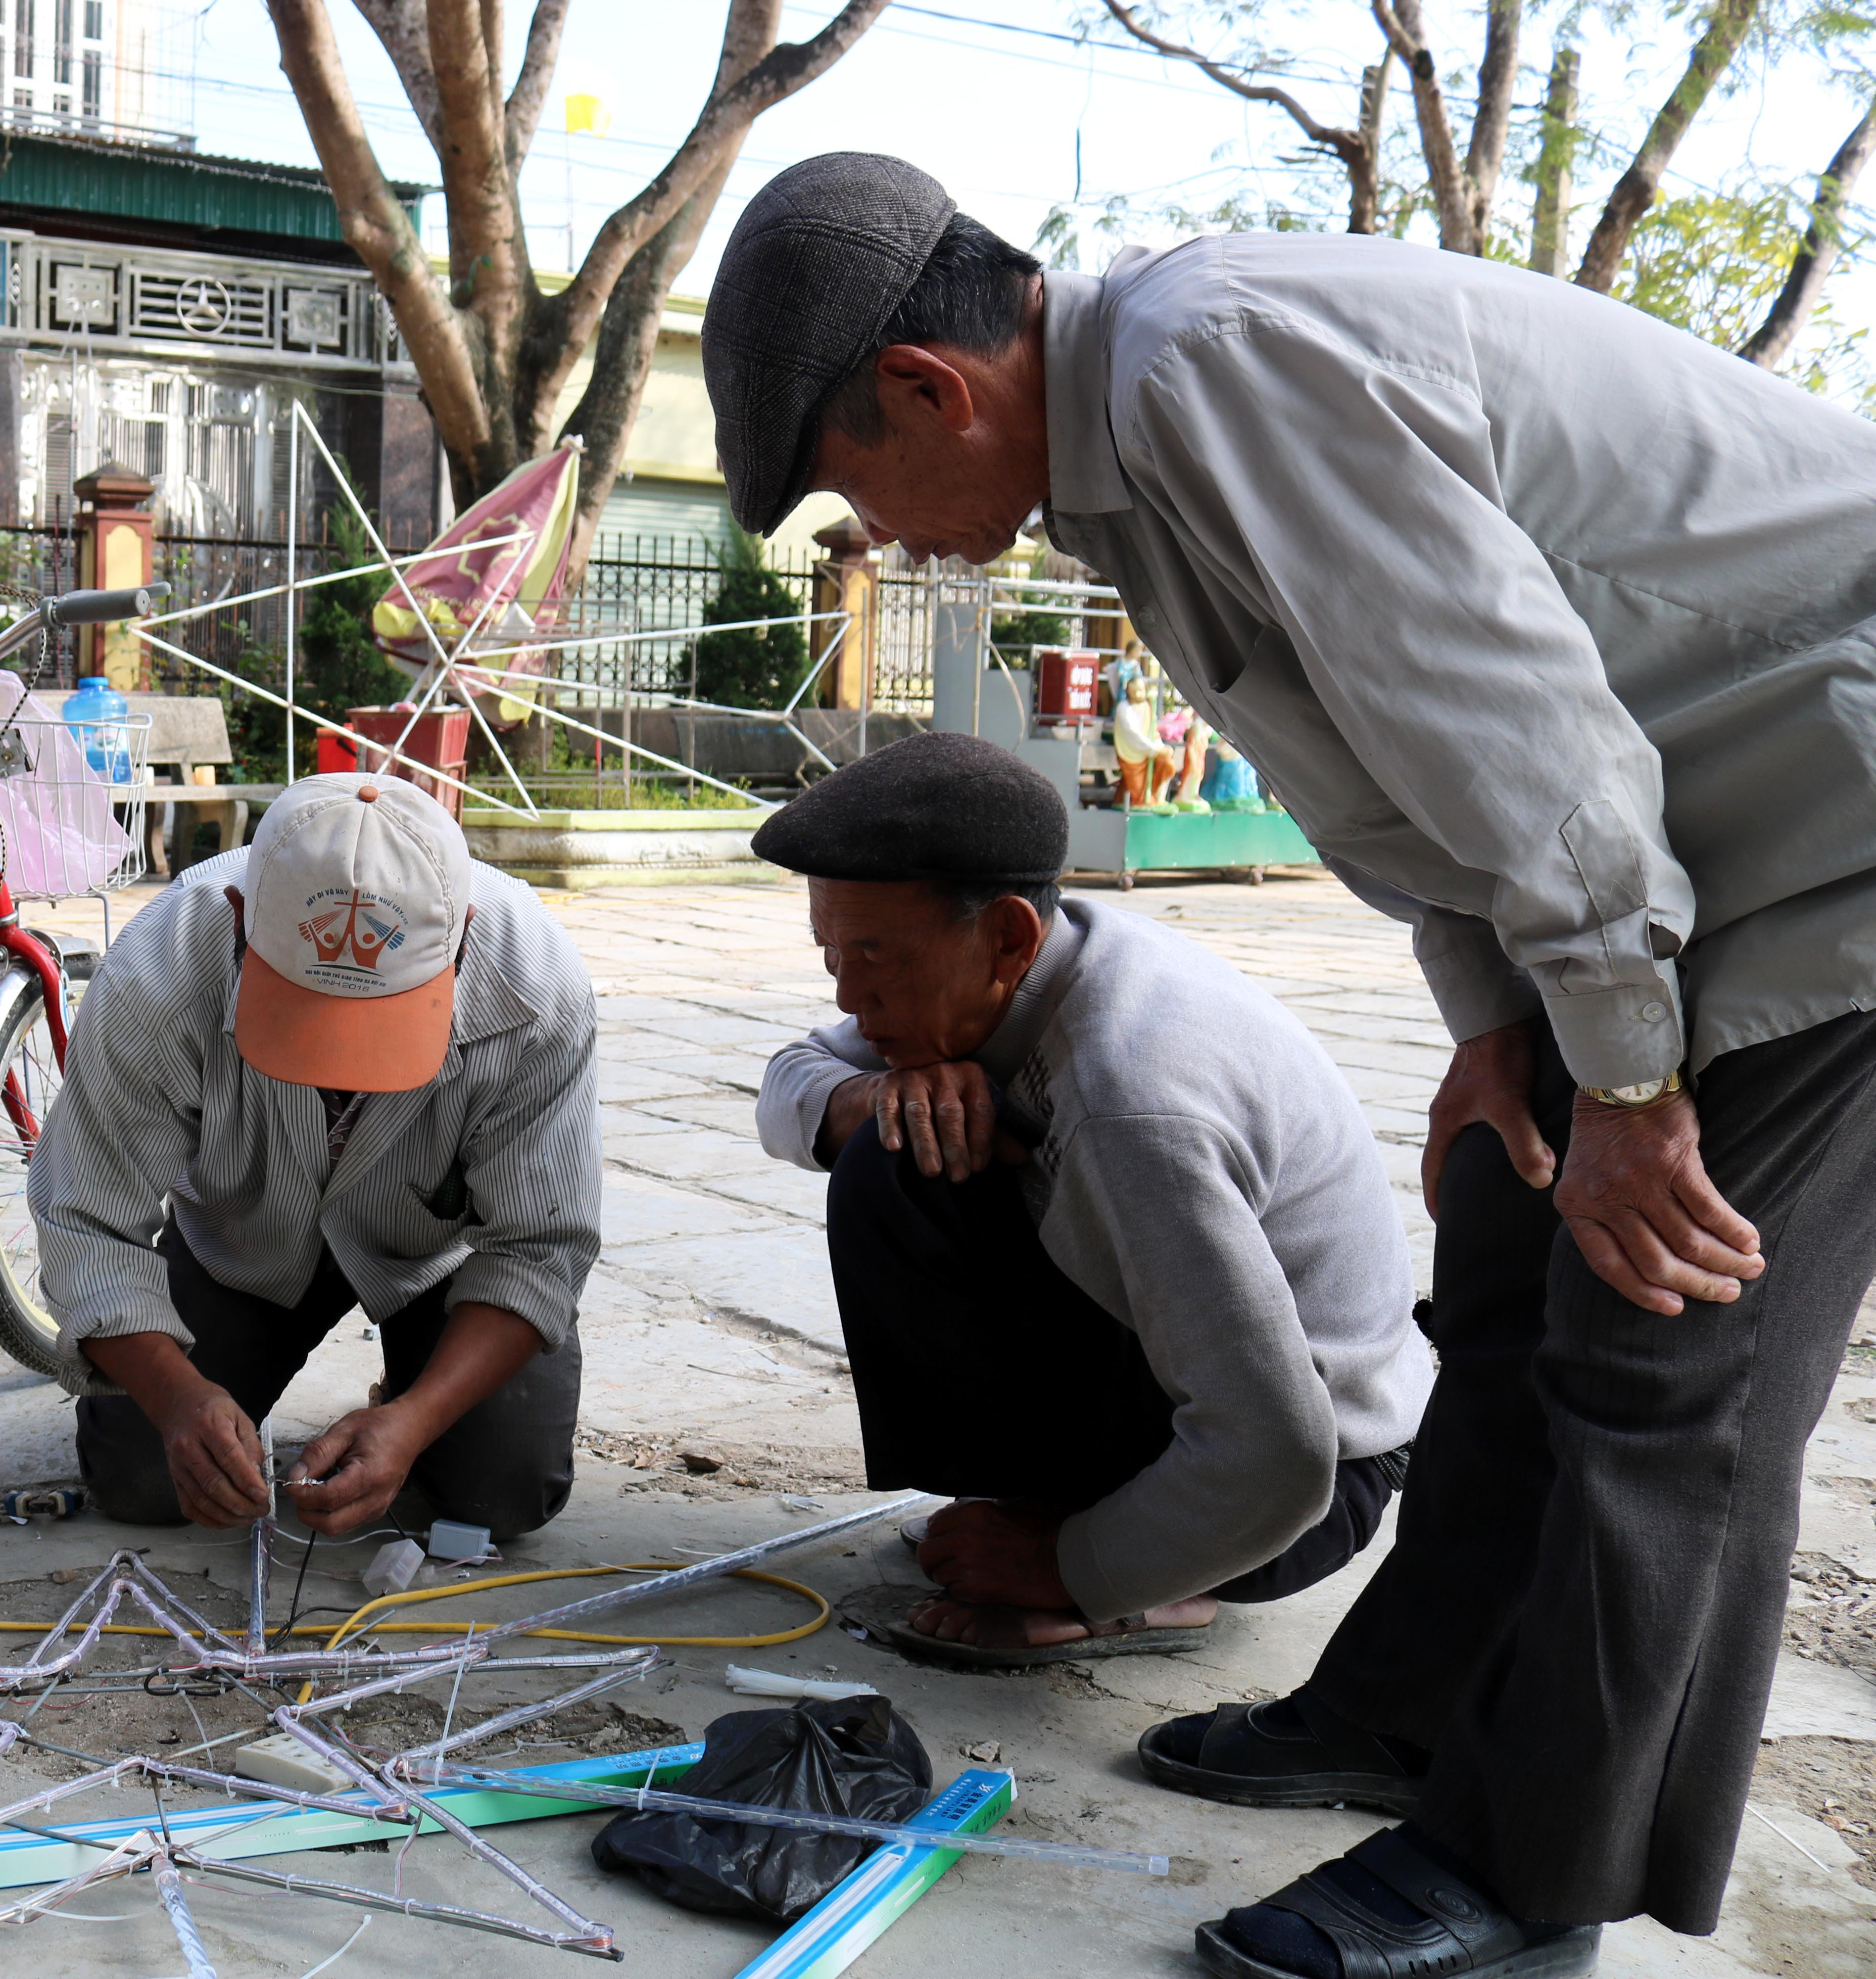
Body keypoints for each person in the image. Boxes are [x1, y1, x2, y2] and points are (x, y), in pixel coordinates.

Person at [701, 149, 1876, 1979]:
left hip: (1832, 826)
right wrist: (1499, 1026)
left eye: (863, 488)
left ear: (932, 387)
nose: (898, 543)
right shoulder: (1128, 460)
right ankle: (1412, 1712)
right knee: (1503, 1253)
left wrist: (1634, 1089)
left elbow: (1515, 722)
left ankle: (1531, 1872)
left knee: (1669, 1358)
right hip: (1683, 833)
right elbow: (1385, 769)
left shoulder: (1208, 367)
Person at [751, 733, 1429, 1670]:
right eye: (830, 950)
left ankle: (1141, 1586)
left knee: (900, 1157)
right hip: (1210, 1417)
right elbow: (790, 1081)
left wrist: (1077, 1567)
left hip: (1308, 1493)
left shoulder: (1131, 1102)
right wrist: (869, 1094)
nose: (849, 992)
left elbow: (1281, 1459)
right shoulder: (1029, 964)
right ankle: (1062, 1515)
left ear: (1006, 938)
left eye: (875, 955)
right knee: (889, 1147)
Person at [31, 772, 600, 1541]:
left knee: (505, 1496)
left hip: (431, 1267)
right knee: (143, 1480)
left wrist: (413, 1418)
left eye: (377, 1027)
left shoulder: (537, 983)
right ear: (239, 919)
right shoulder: (158, 969)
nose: (339, 1070)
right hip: (240, 1249)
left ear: (462, 936)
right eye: (305, 1015)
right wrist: (177, 1400)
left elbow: (539, 1246)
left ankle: (408, 1389)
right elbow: (85, 1219)